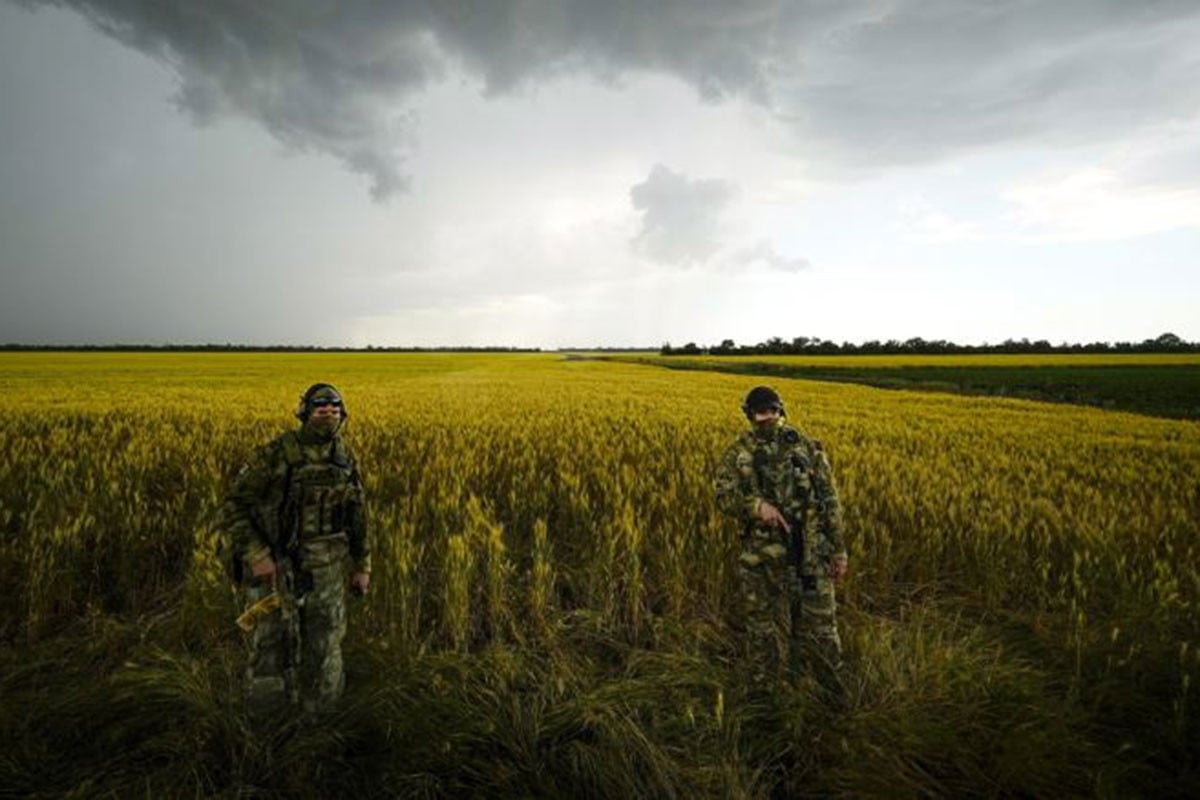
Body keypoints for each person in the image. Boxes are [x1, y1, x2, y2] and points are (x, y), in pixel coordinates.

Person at [222, 382, 370, 715]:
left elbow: (359, 516)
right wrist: (257, 555)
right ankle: (267, 724)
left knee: (326, 646)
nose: (328, 417)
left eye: (334, 412)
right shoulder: (275, 454)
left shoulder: (345, 458)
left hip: (327, 572)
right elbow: (234, 507)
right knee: (270, 647)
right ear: (305, 413)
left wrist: (363, 566)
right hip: (276, 570)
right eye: (321, 411)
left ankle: (321, 722)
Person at [714, 385, 847, 693]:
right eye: (761, 412)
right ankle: (766, 701)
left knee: (822, 631)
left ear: (781, 410)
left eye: (772, 411)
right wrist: (756, 506)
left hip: (812, 555)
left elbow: (830, 501)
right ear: (749, 414)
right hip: (761, 560)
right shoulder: (738, 451)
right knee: (763, 632)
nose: (767, 418)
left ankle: (832, 698)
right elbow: (722, 496)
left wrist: (839, 552)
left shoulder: (807, 447)